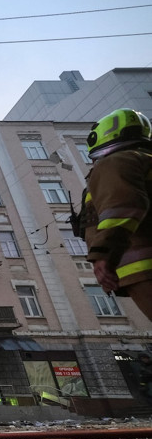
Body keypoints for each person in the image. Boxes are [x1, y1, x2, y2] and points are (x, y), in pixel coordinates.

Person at [82, 108, 152, 320]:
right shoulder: (143, 160)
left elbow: (122, 206)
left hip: (143, 264)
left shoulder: (115, 162)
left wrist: (103, 255)